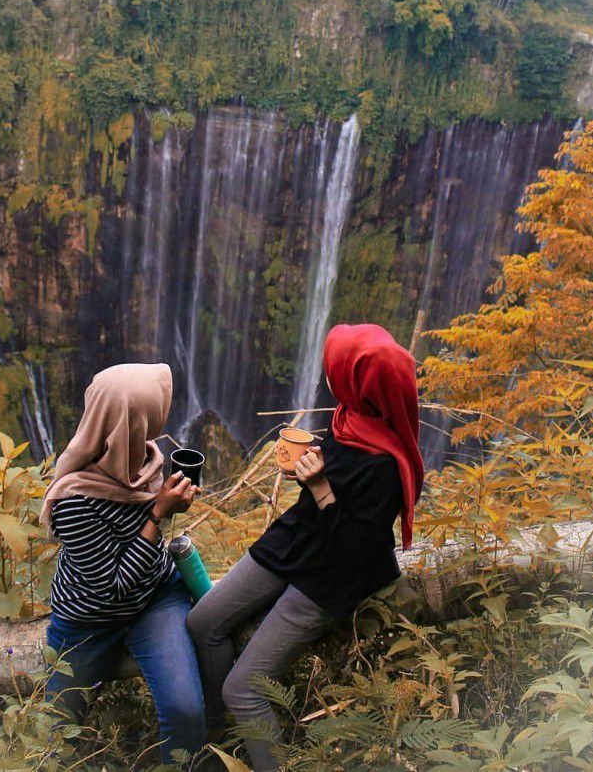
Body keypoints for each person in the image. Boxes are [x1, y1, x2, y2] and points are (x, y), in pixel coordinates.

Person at [187, 324, 423, 772]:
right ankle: (219, 737)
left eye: (335, 371)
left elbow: (354, 552)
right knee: (203, 622)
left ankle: (255, 744)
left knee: (245, 688)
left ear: (360, 385)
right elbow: (330, 488)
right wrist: (314, 467)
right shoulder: (350, 419)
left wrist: (319, 486)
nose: (328, 377)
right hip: (297, 540)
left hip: (331, 577)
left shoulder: (387, 466)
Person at [40, 362, 206, 763]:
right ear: (133, 422)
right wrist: (158, 514)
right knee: (50, 733)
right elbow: (113, 586)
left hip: (155, 600)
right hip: (89, 620)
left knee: (187, 713)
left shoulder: (145, 458)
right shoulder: (75, 500)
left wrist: (167, 504)